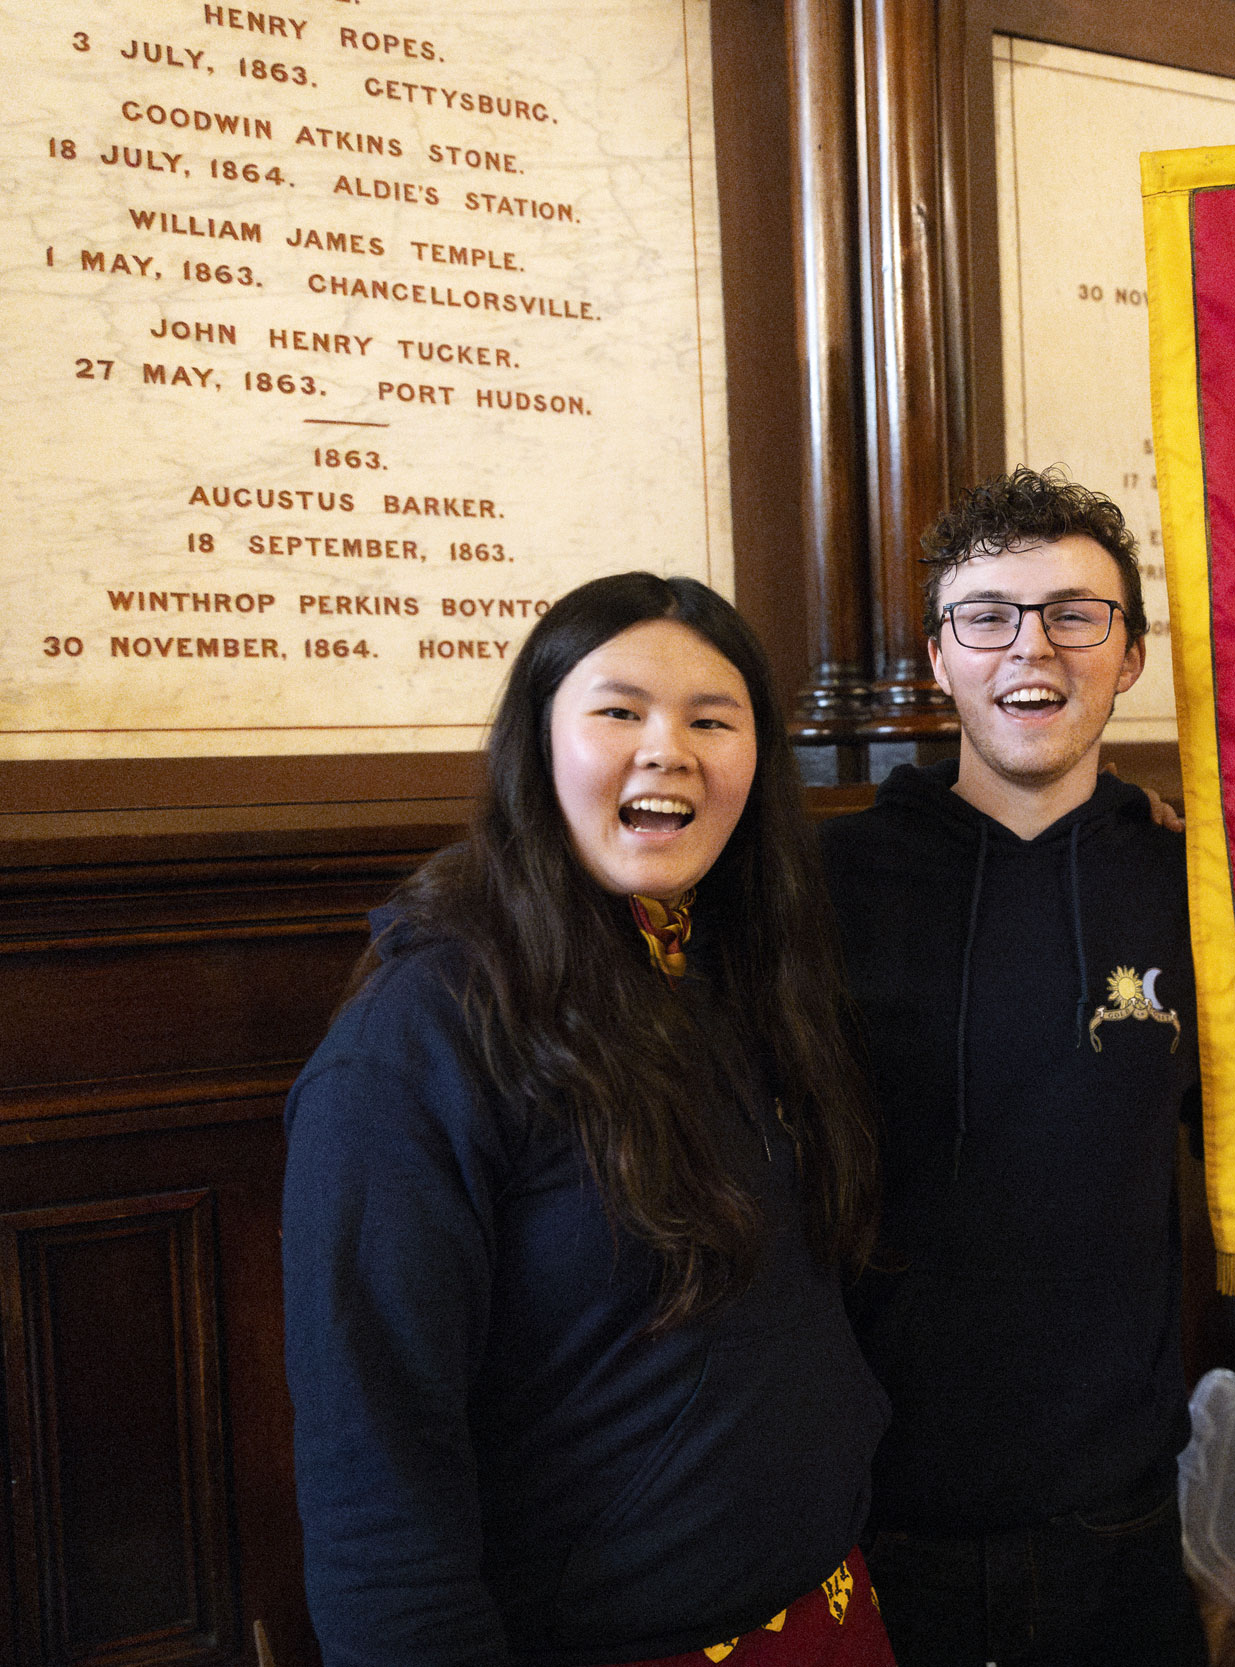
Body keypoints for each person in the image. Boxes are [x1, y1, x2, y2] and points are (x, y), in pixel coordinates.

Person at [282, 573, 895, 1667]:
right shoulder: (420, 1038)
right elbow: (376, 1475)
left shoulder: (752, 970)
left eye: (714, 719)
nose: (669, 749)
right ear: (539, 746)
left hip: (832, 1619)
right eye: (619, 711)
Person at [820, 469, 1210, 1667]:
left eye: (1073, 614)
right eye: (986, 614)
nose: (1028, 647)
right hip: (878, 1522)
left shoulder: (1198, 888)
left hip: (1128, 1515)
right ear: (940, 658)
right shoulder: (823, 887)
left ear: (1130, 654)